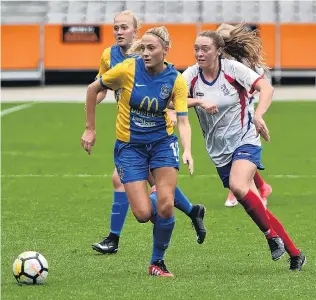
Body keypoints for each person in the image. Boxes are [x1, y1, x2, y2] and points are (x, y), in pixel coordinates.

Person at [181, 24, 306, 271]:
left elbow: (266, 88)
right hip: (218, 151)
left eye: (205, 48)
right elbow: (173, 101)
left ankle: (271, 238)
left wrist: (259, 115)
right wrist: (198, 102)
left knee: (239, 187)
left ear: (218, 51)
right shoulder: (190, 76)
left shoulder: (232, 69)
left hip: (245, 139)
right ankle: (294, 252)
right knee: (253, 203)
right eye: (196, 49)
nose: (199, 53)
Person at [82, 25, 194, 277]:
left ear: (165, 50)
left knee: (165, 206)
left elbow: (183, 120)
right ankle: (181, 211)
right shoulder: (127, 69)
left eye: (151, 48)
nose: (145, 52)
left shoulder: (176, 79)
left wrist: (187, 149)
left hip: (163, 145)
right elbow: (92, 89)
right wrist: (90, 129)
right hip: (130, 148)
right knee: (143, 214)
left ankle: (157, 262)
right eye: (142, 47)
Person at [215, 23, 272, 208]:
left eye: (221, 39)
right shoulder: (218, 63)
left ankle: (237, 188)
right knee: (232, 147)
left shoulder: (245, 65)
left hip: (243, 111)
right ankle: (262, 187)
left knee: (239, 148)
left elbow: (261, 87)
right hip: (227, 112)